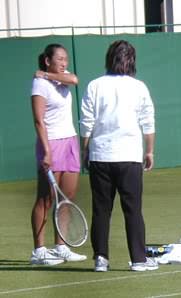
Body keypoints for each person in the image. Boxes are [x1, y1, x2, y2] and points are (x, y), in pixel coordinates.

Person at [80, 40, 158, 272]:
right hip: (129, 157)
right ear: (131, 61)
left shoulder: (95, 85)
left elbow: (87, 122)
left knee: (101, 210)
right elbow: (148, 122)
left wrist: (85, 151)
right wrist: (150, 150)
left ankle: (101, 259)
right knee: (133, 209)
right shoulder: (139, 87)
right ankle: (138, 260)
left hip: (101, 156)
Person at [30, 44, 87, 265]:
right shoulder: (39, 84)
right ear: (47, 60)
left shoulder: (61, 77)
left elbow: (74, 80)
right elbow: (38, 120)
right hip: (50, 143)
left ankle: (61, 247)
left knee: (66, 198)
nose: (64, 63)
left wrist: (49, 73)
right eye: (60, 59)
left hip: (70, 141)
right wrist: (46, 150)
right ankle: (39, 252)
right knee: (45, 199)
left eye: (66, 59)